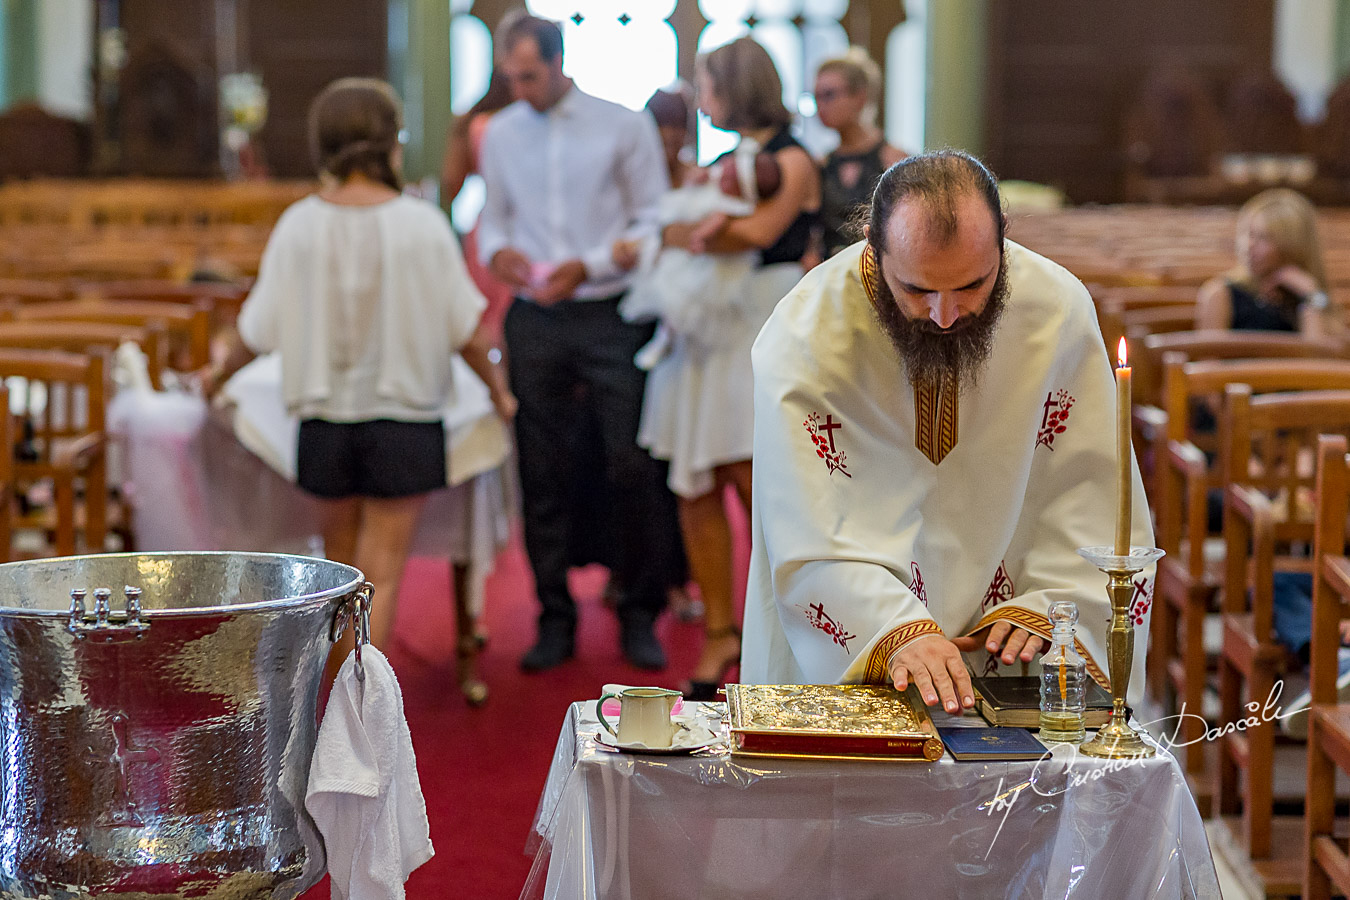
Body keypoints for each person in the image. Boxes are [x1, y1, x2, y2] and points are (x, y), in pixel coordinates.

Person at [740, 150, 1155, 713]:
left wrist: (1049, 604)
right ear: (872, 242)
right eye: (916, 290)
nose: (944, 314)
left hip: (1011, 654)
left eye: (971, 286)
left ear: (1003, 239)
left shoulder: (1056, 310)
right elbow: (808, 525)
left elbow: (1087, 488)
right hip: (861, 659)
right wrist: (895, 630)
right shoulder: (806, 332)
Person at [204, 78, 516, 685]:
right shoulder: (421, 224)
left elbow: (258, 328)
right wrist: (499, 394)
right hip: (405, 421)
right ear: (389, 142)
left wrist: (218, 376)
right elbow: (465, 330)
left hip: (324, 422)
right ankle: (363, 715)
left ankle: (332, 704)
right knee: (382, 575)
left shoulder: (300, 224)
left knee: (340, 572)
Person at [476, 14, 672, 672]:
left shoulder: (622, 124)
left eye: (529, 75)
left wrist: (588, 264)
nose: (520, 88)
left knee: (631, 462)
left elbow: (653, 220)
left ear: (560, 63)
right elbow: (492, 216)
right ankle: (553, 615)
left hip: (612, 309)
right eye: (510, 78)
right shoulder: (500, 133)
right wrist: (496, 250)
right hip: (534, 315)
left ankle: (640, 608)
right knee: (541, 466)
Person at [639, 37, 821, 700]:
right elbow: (664, 229)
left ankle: (778, 627)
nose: (700, 95)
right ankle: (720, 628)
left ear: (736, 85)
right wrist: (689, 224)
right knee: (696, 482)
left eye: (707, 83)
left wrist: (699, 227)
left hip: (759, 323)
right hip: (704, 333)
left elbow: (757, 231)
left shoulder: (792, 157)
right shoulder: (720, 161)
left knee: (756, 477)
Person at [1196, 187, 1339, 340]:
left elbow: (1318, 359)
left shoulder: (1308, 296)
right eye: (1247, 233)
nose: (1248, 245)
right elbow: (1209, 362)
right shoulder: (1220, 294)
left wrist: (1311, 294)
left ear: (1292, 246)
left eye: (1263, 237)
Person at [813, 48, 907, 261]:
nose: (821, 106)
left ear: (860, 97)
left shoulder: (893, 159)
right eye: (816, 97)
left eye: (829, 95)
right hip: (830, 271)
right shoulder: (820, 164)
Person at [441, 69, 515, 342]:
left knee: (484, 319)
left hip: (487, 228)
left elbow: (451, 184)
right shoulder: (534, 122)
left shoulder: (475, 122)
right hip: (534, 229)